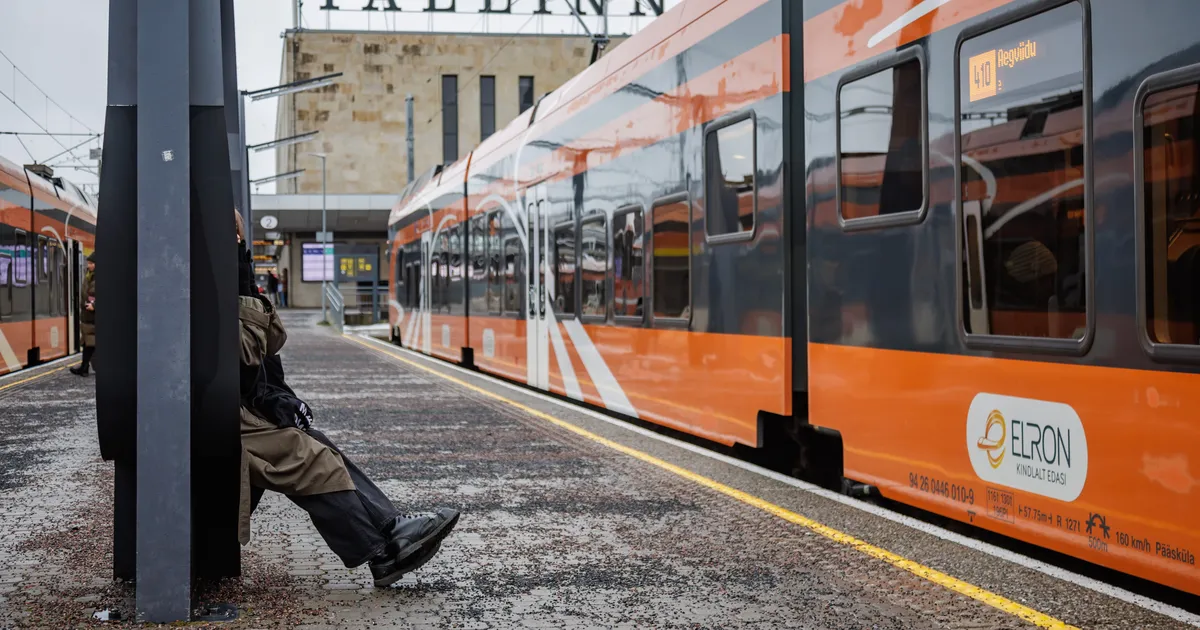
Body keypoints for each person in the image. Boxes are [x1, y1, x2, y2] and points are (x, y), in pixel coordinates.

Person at [233, 211, 459, 586]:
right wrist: (242, 285)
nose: (239, 248)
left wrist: (277, 399)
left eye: (239, 241)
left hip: (233, 413)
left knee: (313, 442)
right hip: (210, 423)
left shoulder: (227, 283)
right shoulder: (208, 286)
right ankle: (383, 552)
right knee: (308, 456)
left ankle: (391, 531)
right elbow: (244, 353)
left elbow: (267, 350)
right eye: (236, 241)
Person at [70, 253, 97, 377]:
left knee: (90, 344)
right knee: (88, 343)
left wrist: (95, 306)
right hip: (87, 315)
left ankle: (84, 367)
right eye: (88, 263)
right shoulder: (88, 276)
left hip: (94, 316)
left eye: (91, 263)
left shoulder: (100, 277)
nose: (89, 265)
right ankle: (84, 367)